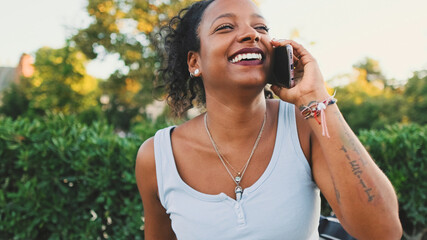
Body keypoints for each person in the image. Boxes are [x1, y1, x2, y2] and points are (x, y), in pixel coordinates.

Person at [135, 0, 402, 239]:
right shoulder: (157, 158)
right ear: (195, 62)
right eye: (226, 27)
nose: (252, 34)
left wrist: (316, 97)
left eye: (261, 28)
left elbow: (383, 232)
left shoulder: (303, 124)